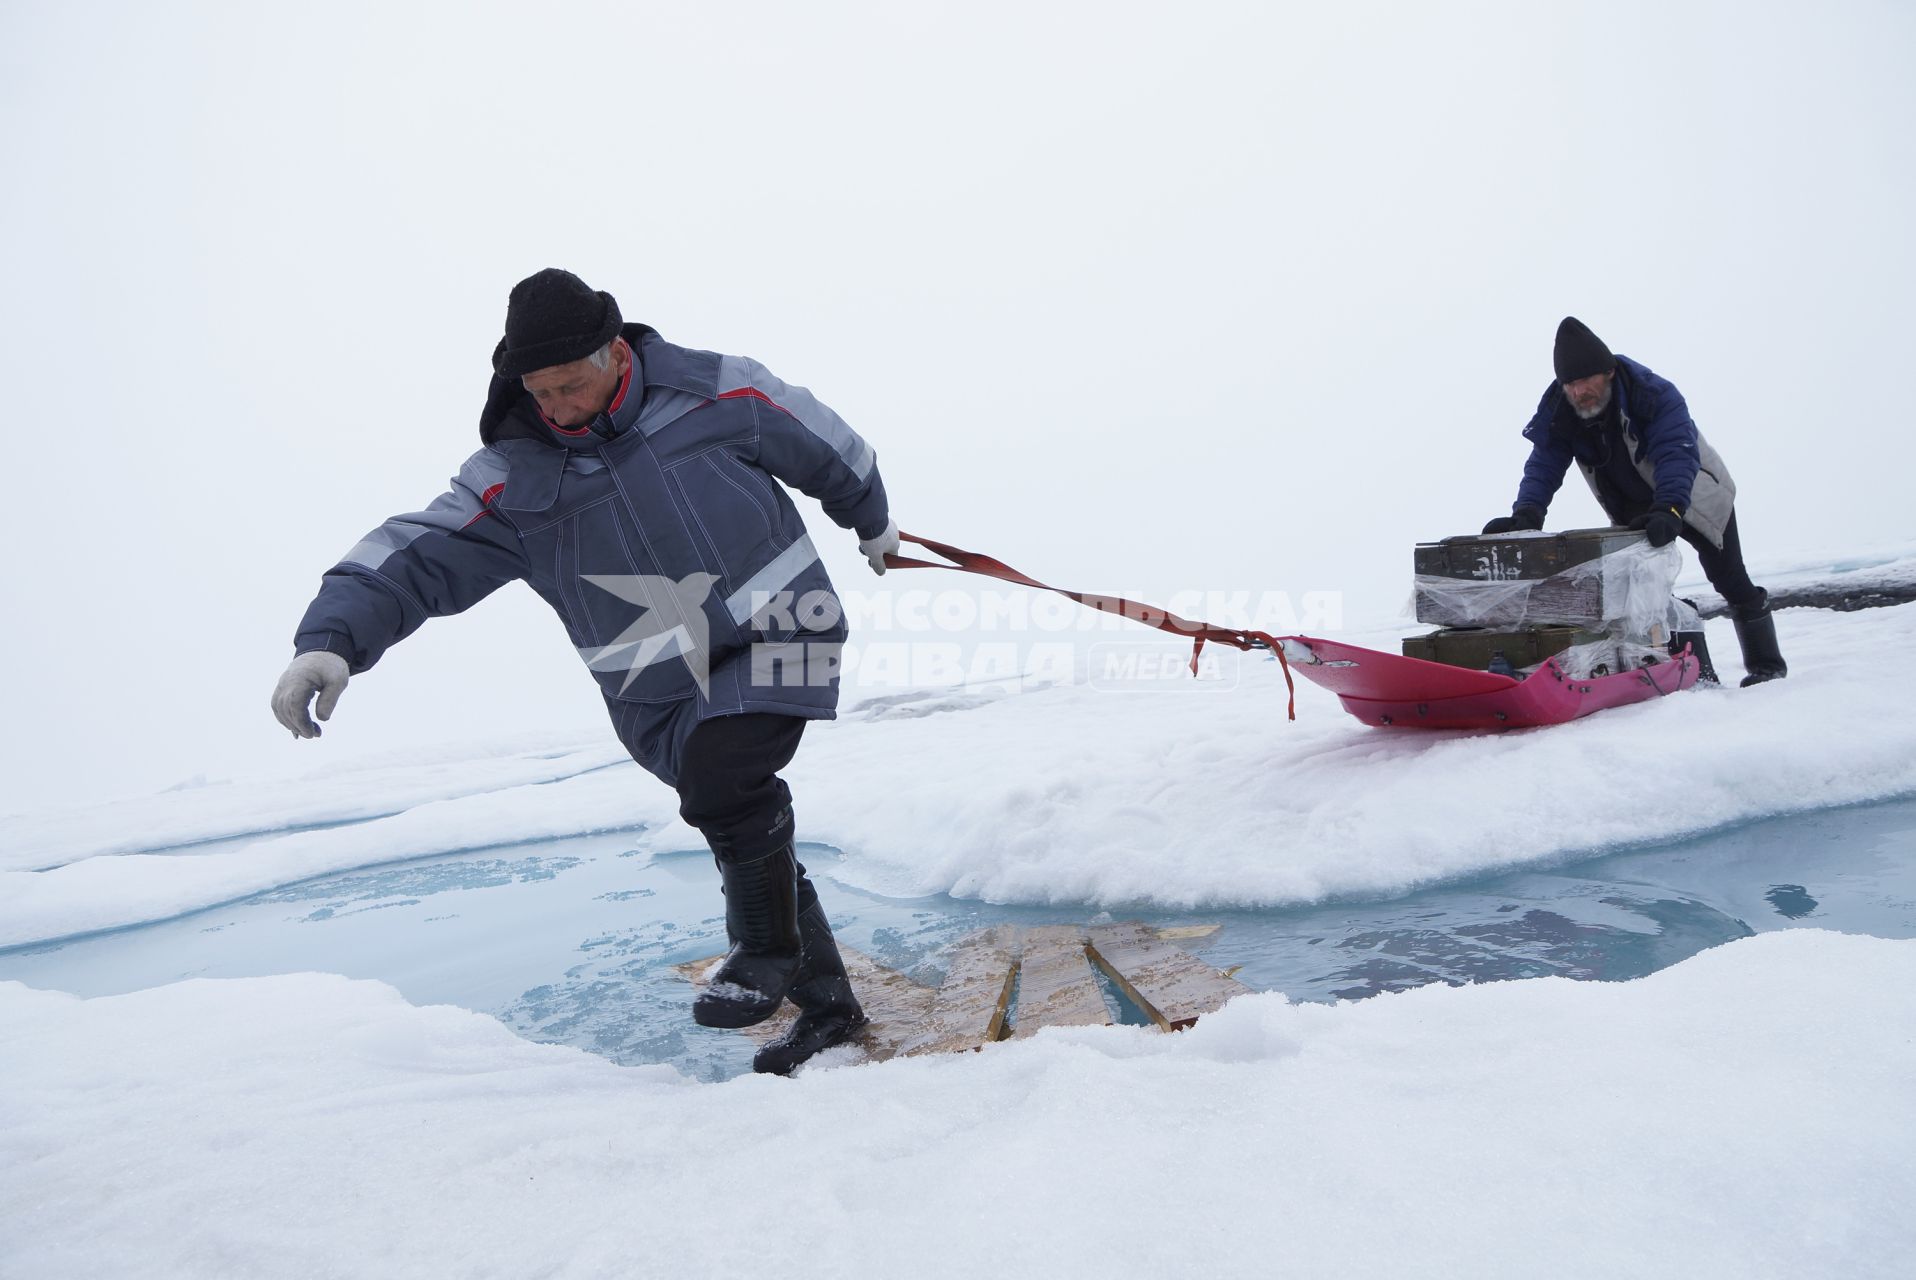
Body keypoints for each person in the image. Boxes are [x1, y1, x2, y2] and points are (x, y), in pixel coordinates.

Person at [271, 268, 902, 1074]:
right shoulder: (514, 480)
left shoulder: (715, 393)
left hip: (781, 628)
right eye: (540, 392)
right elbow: (411, 554)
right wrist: (328, 641)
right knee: (732, 820)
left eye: (571, 385)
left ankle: (763, 955)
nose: (557, 406)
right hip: (658, 690)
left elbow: (820, 442)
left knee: (728, 785)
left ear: (614, 352)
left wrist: (872, 522)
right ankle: (829, 1012)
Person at [1481, 316, 1786, 687]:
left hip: (1693, 497)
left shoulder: (1652, 393)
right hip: (1633, 511)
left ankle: (1767, 667)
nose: (1578, 392)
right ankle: (1691, 676)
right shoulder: (1561, 410)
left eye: (1584, 381)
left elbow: (1677, 453)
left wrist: (1671, 508)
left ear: (1607, 372)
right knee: (1648, 595)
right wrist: (1527, 513)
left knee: (1729, 579)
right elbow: (1544, 463)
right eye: (1570, 384)